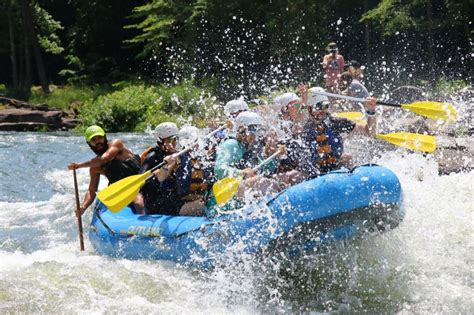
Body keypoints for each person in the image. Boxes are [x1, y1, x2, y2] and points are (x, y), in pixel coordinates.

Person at [300, 87, 377, 176]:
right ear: (309, 108)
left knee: (347, 157)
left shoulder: (335, 122)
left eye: (325, 106)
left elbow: (369, 132)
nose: (322, 110)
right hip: (313, 173)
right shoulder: (304, 126)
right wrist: (303, 101)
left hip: (336, 170)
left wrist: (371, 111)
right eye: (318, 107)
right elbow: (298, 117)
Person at [134, 122, 206, 216]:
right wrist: (158, 171)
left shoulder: (178, 155)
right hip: (157, 200)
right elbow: (142, 180)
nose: (173, 143)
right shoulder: (152, 156)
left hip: (172, 197)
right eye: (170, 140)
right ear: (160, 140)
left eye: (175, 139)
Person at [68, 125, 141, 215]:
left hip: (144, 181)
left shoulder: (117, 144)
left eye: (100, 138)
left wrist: (79, 166)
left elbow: (103, 160)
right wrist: (83, 207)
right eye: (93, 140)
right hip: (126, 190)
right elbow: (91, 190)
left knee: (138, 201)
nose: (98, 142)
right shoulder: (95, 167)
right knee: (138, 201)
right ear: (89, 144)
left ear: (105, 137)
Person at [213, 112, 282, 200]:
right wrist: (241, 172)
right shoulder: (231, 144)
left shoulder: (251, 146)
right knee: (262, 182)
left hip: (238, 190)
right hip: (221, 195)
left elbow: (266, 170)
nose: (256, 134)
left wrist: (273, 154)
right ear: (241, 129)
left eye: (258, 130)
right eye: (253, 129)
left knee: (275, 180)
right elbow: (219, 170)